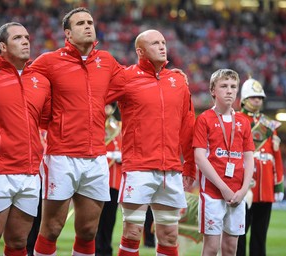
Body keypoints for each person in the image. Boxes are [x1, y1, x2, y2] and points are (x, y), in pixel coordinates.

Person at [30, 7, 125, 255]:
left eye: (90, 22)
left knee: (88, 231)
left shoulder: (107, 61)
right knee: (51, 227)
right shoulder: (49, 61)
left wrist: (165, 73)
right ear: (68, 34)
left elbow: (133, 80)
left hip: (96, 157)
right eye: (80, 23)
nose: (88, 26)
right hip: (61, 155)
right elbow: (23, 84)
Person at [106, 29, 196, 256]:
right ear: (140, 51)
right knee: (132, 232)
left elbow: (188, 125)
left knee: (169, 235)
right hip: (138, 168)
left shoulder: (178, 81)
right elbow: (95, 104)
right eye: (155, 43)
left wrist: (190, 165)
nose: (162, 46)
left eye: (163, 42)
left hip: (171, 171)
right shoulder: (125, 78)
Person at [0, 22, 51, 256]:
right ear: (2, 46)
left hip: (30, 171)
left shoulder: (41, 81)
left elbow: (44, 120)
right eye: (18, 38)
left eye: (27, 36)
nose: (26, 41)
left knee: (18, 241)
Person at [193, 69, 255, 256]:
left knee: (231, 248)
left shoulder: (243, 121)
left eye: (233, 86)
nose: (229, 91)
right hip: (213, 193)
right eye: (224, 86)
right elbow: (199, 157)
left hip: (237, 194)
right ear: (213, 90)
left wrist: (243, 190)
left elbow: (249, 157)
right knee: (211, 248)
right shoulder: (204, 119)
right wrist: (223, 188)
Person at [236, 77, 284, 256]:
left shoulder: (269, 124)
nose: (258, 100)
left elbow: (275, 155)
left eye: (260, 97)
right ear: (244, 99)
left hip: (265, 188)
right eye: (254, 96)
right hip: (244, 186)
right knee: (239, 232)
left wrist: (278, 185)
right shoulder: (236, 119)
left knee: (260, 234)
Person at [95, 104, 123, 256]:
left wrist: (120, 155)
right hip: (99, 178)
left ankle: (105, 249)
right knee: (95, 217)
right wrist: (109, 155)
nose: (107, 109)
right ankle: (96, 248)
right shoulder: (96, 124)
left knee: (109, 218)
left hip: (114, 179)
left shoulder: (118, 126)